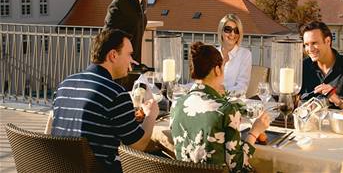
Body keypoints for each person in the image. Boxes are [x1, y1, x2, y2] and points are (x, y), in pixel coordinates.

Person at [49, 29, 159, 172]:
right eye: (129, 55)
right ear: (113, 55)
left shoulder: (64, 84)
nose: (132, 61)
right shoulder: (116, 93)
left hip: (61, 167)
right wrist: (151, 115)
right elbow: (137, 145)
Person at [170, 42, 270, 171]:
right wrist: (255, 132)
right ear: (217, 69)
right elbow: (238, 167)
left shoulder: (177, 105)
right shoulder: (226, 110)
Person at [104, 0, 152, 64]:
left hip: (133, 64)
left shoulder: (141, 2)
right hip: (119, 65)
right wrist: (124, 58)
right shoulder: (118, 4)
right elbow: (106, 37)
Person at [217, 14, 252, 94]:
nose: (232, 34)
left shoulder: (245, 55)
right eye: (228, 29)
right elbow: (203, 80)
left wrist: (222, 92)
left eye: (236, 30)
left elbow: (242, 87)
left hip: (233, 103)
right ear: (221, 31)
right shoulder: (213, 53)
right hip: (212, 101)